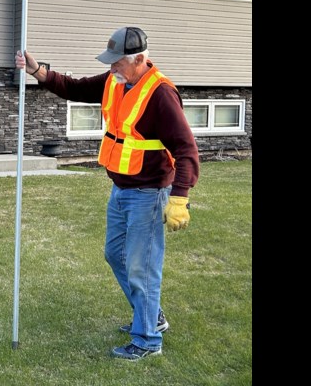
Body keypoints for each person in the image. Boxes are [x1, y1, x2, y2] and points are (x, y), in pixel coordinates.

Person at [15, 26, 200, 361]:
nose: (112, 68)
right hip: (121, 189)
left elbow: (187, 150)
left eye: (118, 63)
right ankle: (152, 316)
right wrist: (37, 71)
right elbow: (75, 87)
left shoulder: (161, 95)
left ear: (140, 59)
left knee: (142, 267)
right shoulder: (117, 81)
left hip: (149, 192)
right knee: (115, 255)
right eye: (111, 63)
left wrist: (179, 197)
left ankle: (147, 340)